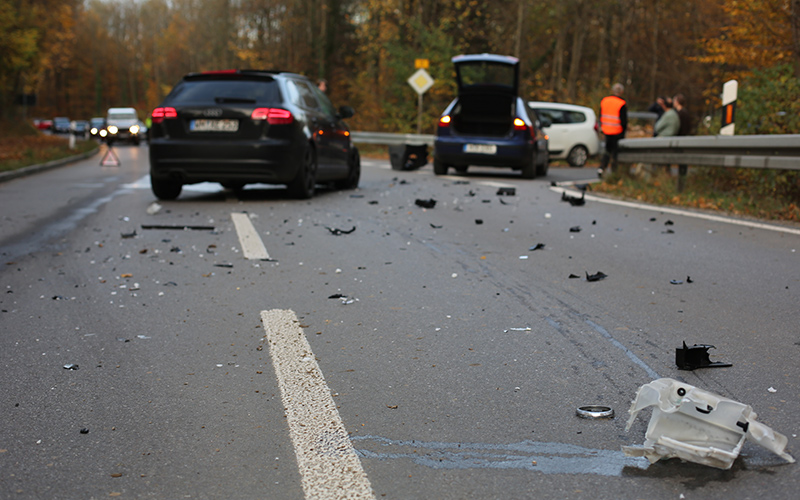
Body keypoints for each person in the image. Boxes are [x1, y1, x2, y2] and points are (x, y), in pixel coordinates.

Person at [598, 82, 628, 177]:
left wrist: (602, 128)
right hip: (617, 132)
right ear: (622, 92)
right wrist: (624, 133)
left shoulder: (605, 101)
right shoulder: (621, 103)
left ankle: (602, 168)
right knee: (615, 153)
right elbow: (624, 121)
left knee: (607, 150)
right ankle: (614, 171)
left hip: (606, 130)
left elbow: (600, 115)